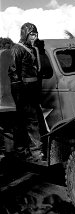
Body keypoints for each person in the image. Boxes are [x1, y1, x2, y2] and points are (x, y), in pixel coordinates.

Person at [8, 22, 44, 160]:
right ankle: (34, 152)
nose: (34, 37)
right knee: (30, 121)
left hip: (33, 90)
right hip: (23, 91)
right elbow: (13, 71)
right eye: (32, 34)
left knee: (29, 121)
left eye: (36, 34)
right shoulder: (17, 49)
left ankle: (23, 150)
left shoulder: (33, 49)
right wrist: (19, 94)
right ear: (25, 35)